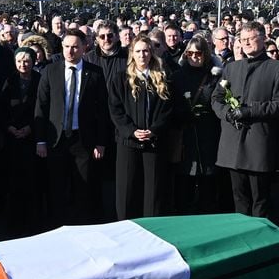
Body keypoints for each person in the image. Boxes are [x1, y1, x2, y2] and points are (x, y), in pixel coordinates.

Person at [211, 22, 279, 218]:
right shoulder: (232, 67)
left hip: (258, 144)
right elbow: (216, 99)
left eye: (250, 39)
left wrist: (250, 111)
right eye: (242, 39)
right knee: (239, 199)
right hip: (233, 144)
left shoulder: (277, 68)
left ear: (263, 39)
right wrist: (226, 112)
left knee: (260, 200)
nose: (246, 43)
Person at [34, 29, 110, 227]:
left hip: (83, 141)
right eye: (67, 46)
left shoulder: (95, 73)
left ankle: (81, 229)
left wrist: (101, 142)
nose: (70, 51)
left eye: (75, 47)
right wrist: (40, 140)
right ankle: (56, 228)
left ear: (84, 48)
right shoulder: (50, 71)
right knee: (56, 189)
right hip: (56, 140)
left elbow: (102, 110)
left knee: (83, 189)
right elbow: (41, 107)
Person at [108, 36, 174, 219]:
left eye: (145, 50)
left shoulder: (162, 78)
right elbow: (115, 109)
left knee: (153, 193)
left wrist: (154, 130)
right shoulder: (120, 78)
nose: (142, 55)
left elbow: (167, 110)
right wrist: (131, 131)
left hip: (154, 143)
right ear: (132, 53)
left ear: (151, 53)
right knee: (127, 191)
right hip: (128, 143)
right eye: (138, 51)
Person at [170, 36, 223, 214]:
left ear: (205, 54)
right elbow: (170, 102)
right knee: (184, 185)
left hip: (208, 134)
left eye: (198, 53)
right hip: (185, 135)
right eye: (190, 53)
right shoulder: (177, 76)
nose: (194, 57)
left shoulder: (214, 76)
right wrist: (182, 114)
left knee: (208, 185)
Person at [0, 47, 42, 236]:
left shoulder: (40, 81)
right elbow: (0, 108)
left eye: (27, 61)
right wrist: (9, 127)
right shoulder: (9, 80)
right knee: (13, 183)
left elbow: (43, 107)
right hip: (12, 138)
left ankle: (32, 223)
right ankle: (14, 224)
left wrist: (30, 128)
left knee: (32, 182)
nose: (23, 65)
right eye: (19, 61)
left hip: (32, 137)